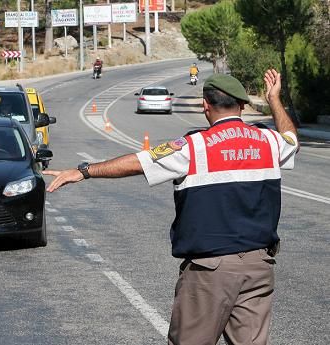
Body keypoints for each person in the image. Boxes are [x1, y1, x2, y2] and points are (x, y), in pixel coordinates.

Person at [43, 69, 299, 345]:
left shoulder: (194, 146)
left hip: (209, 271)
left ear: (205, 105)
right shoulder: (269, 141)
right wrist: (274, 99)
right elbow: (291, 139)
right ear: (242, 105)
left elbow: (138, 163)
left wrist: (83, 171)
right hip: (259, 265)